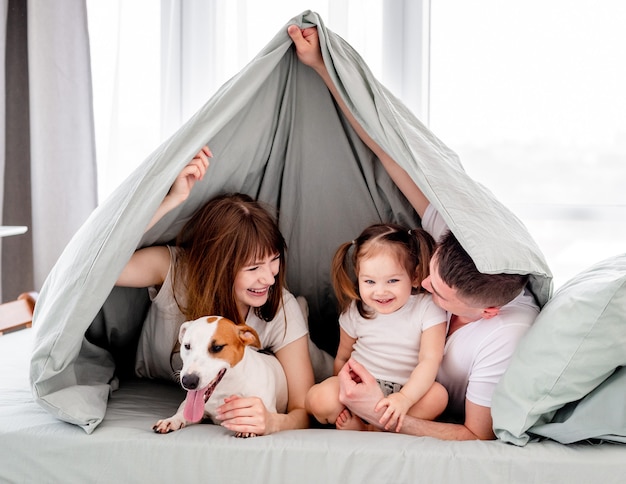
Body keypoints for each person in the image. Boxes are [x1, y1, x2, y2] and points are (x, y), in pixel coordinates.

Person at [287, 25, 539, 440]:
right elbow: (390, 151)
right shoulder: (449, 241)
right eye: (430, 272)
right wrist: (325, 69)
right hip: (369, 386)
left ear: (487, 312)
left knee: (432, 395)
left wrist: (385, 414)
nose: (421, 284)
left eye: (437, 291)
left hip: (411, 401)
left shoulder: (505, 336)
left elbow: (477, 435)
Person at [116, 146, 315, 435]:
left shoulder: (280, 306)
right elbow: (101, 262)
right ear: (219, 265)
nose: (270, 279)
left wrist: (273, 421)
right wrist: (172, 199)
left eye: (274, 262)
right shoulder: (174, 271)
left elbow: (303, 409)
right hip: (156, 377)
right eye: (253, 268)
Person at [305, 223, 447, 432]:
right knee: (317, 399)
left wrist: (404, 398)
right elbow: (343, 358)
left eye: (392, 280)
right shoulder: (356, 310)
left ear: (415, 276)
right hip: (361, 386)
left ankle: (372, 428)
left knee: (438, 396)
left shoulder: (427, 308)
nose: (380, 292)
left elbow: (430, 360)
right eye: (370, 282)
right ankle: (366, 422)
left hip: (406, 390)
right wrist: (345, 391)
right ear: (358, 275)